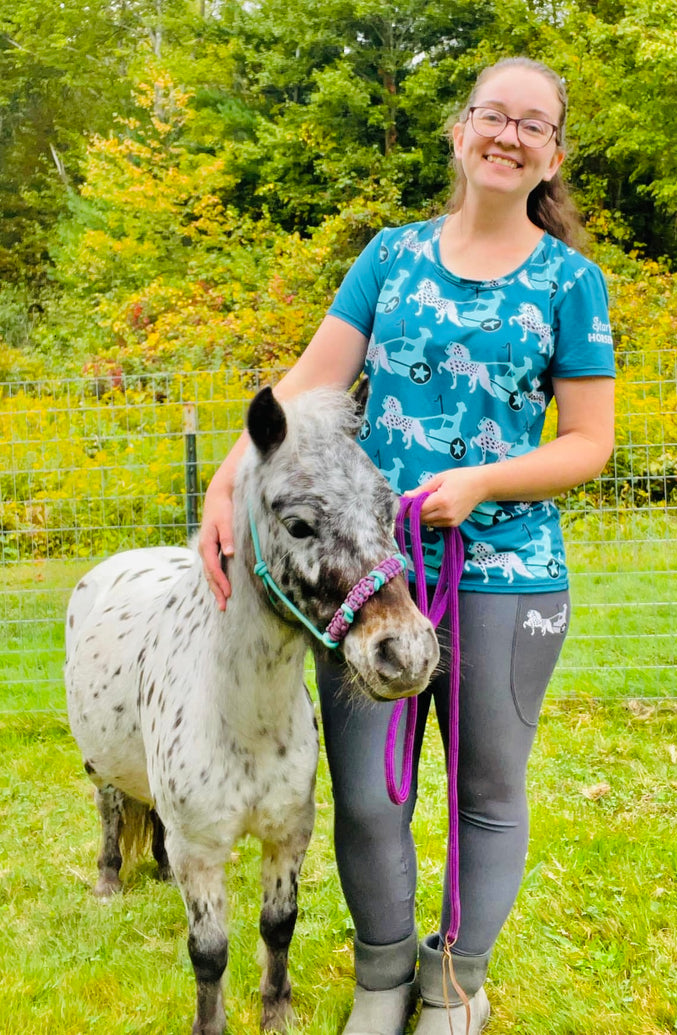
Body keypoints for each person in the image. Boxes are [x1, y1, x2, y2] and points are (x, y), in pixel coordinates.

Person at [199, 56, 615, 1035]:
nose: (508, 136)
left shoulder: (571, 284)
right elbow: (309, 385)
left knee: (486, 794)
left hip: (507, 576)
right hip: (371, 577)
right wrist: (230, 472)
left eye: (533, 125)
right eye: (493, 116)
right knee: (371, 797)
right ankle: (383, 979)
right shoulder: (390, 255)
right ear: (459, 130)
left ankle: (452, 986)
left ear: (554, 154)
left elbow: (590, 444)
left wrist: (481, 484)